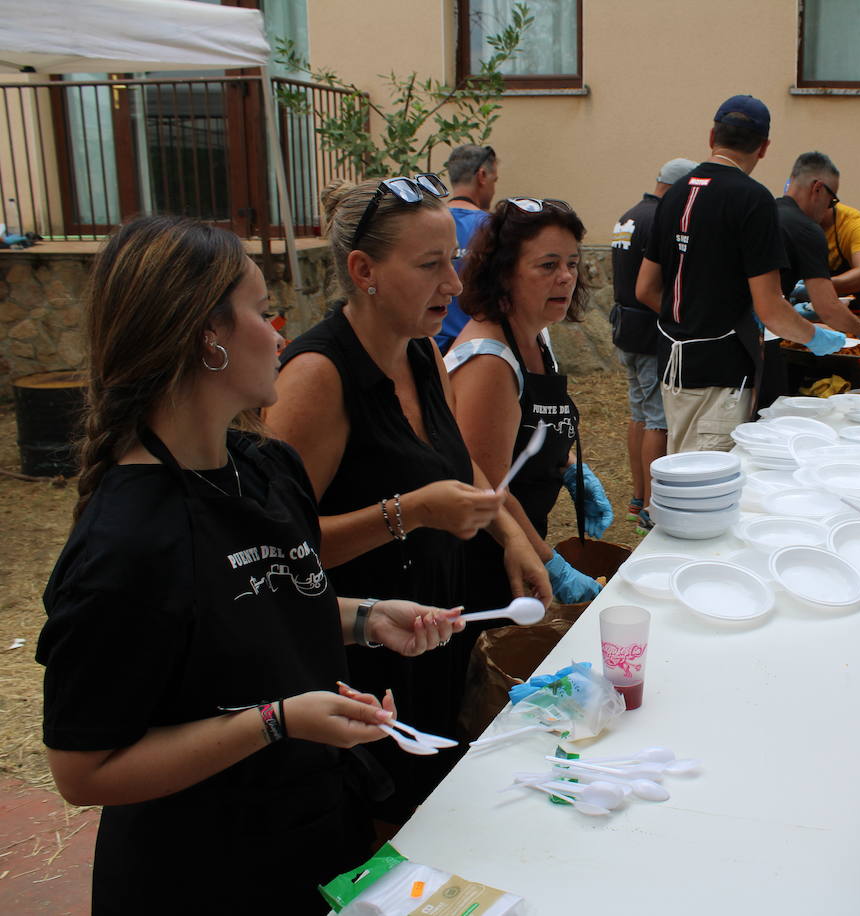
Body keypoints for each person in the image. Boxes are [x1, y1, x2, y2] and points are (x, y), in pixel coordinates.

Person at [38, 216, 469, 912]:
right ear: (209, 335)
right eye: (263, 311)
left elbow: (249, 607)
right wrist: (274, 720)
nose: (280, 333)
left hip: (314, 836)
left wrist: (367, 619)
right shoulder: (127, 545)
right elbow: (83, 770)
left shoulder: (263, 468)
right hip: (205, 875)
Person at [268, 175, 550, 828]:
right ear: (363, 270)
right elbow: (284, 553)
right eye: (430, 266)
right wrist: (411, 512)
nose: (453, 285)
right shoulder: (316, 379)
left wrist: (512, 537)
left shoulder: (423, 349)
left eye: (452, 260)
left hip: (434, 637)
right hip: (362, 660)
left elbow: (462, 457)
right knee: (380, 833)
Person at [635, 94, 847, 453]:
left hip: (673, 368)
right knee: (705, 488)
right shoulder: (753, 199)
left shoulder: (673, 194)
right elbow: (770, 308)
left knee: (682, 466)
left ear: (711, 136)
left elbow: (646, 288)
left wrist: (691, 320)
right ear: (763, 148)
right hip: (722, 376)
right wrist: (814, 336)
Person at [448, 197, 614, 605]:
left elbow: (523, 434)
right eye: (548, 265)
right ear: (504, 273)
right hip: (485, 557)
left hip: (522, 539)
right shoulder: (488, 360)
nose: (565, 277)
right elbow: (486, 485)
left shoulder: (537, 334)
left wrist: (571, 469)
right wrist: (550, 563)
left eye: (572, 264)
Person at [611, 157, 697, 532]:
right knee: (657, 421)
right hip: (649, 333)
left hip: (624, 327)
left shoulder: (629, 215)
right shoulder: (661, 219)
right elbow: (652, 287)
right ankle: (649, 506)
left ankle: (636, 496)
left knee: (639, 415)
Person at [771, 151, 860, 406]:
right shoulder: (807, 229)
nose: (829, 208)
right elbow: (828, 307)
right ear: (818, 188)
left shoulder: (766, 212)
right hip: (767, 339)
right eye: (831, 200)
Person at [435, 144, 500, 352]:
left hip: (431, 349)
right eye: (494, 180)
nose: (493, 188)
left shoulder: (429, 223)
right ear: (482, 175)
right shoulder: (492, 228)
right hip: (476, 349)